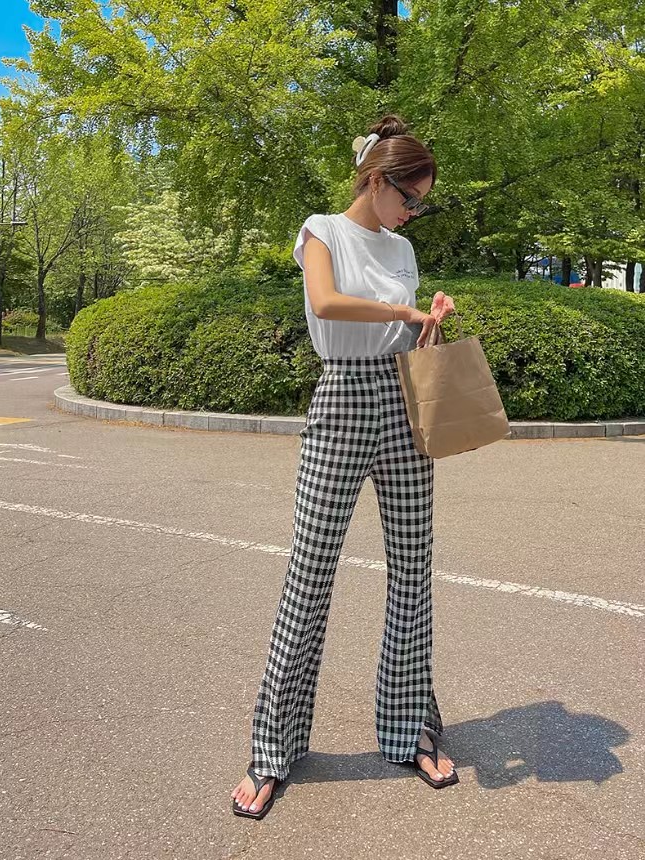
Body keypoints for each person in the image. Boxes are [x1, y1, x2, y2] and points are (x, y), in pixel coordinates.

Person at [231, 114, 458, 820]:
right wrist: (399, 309)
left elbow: (405, 336)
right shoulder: (320, 230)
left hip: (402, 399)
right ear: (375, 179)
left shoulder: (403, 249)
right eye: (408, 198)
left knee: (413, 569)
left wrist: (428, 322)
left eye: (419, 203)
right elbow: (326, 303)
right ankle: (272, 751)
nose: (412, 212)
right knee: (309, 571)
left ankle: (410, 729)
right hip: (341, 399)